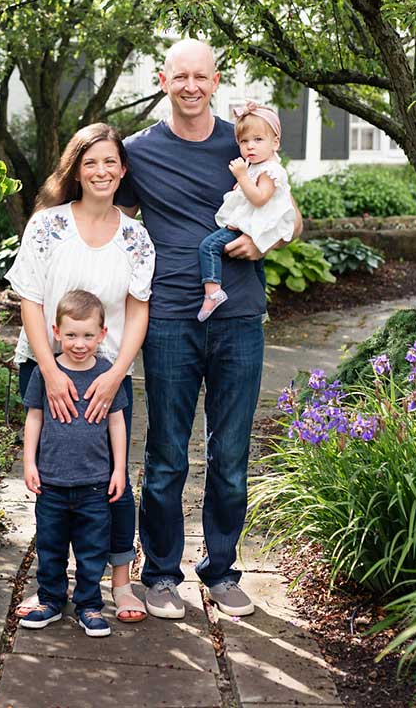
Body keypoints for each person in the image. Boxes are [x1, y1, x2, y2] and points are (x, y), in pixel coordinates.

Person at [115, 39, 302, 620]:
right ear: (163, 78)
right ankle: (163, 575)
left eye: (201, 76)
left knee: (231, 454)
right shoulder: (138, 152)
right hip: (169, 315)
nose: (191, 86)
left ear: (216, 81)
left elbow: (294, 216)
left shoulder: (244, 140)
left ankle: (220, 571)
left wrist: (265, 239)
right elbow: (110, 219)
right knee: (166, 451)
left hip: (239, 315)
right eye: (180, 76)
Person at [5, 123, 155, 623]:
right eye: (91, 162)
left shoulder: (135, 238)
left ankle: (120, 583)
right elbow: (29, 297)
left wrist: (118, 375)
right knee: (51, 477)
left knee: (112, 481)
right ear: (76, 168)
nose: (101, 171)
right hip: (49, 368)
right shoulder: (48, 225)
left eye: (110, 162)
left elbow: (138, 310)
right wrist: (48, 369)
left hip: (106, 376)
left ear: (123, 169)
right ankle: (50, 589)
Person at [20, 290, 127, 637]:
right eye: (70, 335)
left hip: (94, 483)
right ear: (55, 331)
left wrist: (120, 469)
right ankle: (50, 600)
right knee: (50, 546)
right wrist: (29, 463)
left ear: (102, 335)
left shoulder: (107, 373)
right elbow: (34, 418)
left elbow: (117, 423)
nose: (79, 344)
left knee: (92, 549)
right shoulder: (44, 373)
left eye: (87, 336)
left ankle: (90, 605)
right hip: (51, 482)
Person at [197, 100, 295, 321]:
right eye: (244, 141)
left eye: (258, 140)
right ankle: (260, 307)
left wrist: (241, 176)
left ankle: (213, 291)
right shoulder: (258, 166)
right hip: (250, 225)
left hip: (253, 226)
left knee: (209, 246)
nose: (250, 146)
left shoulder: (270, 171)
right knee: (256, 267)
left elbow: (260, 198)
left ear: (275, 142)